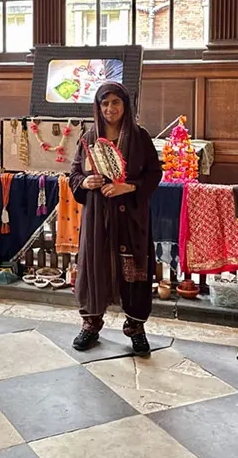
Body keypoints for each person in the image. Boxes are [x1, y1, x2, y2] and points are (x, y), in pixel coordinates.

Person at [69, 81, 162, 355]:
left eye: (115, 103)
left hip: (131, 218)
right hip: (98, 217)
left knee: (133, 271)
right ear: (98, 107)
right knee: (95, 267)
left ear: (125, 105)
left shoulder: (140, 137)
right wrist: (86, 184)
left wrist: (128, 187)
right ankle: (91, 324)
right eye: (105, 103)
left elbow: (155, 174)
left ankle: (135, 328)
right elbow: (74, 174)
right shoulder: (88, 138)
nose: (110, 109)